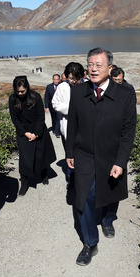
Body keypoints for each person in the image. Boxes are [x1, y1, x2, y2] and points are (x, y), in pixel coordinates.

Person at [65, 47, 137, 266]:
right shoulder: (78, 92)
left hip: (111, 156)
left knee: (109, 192)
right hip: (84, 154)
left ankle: (107, 220)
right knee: (84, 197)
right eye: (90, 64)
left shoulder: (124, 94)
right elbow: (73, 125)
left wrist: (121, 161)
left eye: (98, 65)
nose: (93, 69)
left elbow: (128, 131)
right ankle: (89, 243)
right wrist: (69, 152)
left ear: (110, 68)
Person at [9, 76, 56, 196]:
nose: (20, 93)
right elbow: (15, 118)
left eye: (23, 91)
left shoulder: (35, 96)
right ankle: (24, 182)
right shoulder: (12, 99)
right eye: (18, 91)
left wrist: (36, 134)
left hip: (38, 130)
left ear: (27, 88)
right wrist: (25, 133)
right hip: (23, 131)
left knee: (41, 154)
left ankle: (44, 174)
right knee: (25, 159)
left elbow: (41, 117)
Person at [51, 62, 85, 190]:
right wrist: (71, 109)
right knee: (69, 153)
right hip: (67, 125)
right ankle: (71, 177)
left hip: (84, 127)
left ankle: (82, 178)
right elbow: (55, 104)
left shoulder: (86, 86)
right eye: (71, 78)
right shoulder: (62, 87)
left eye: (76, 79)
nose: (74, 81)